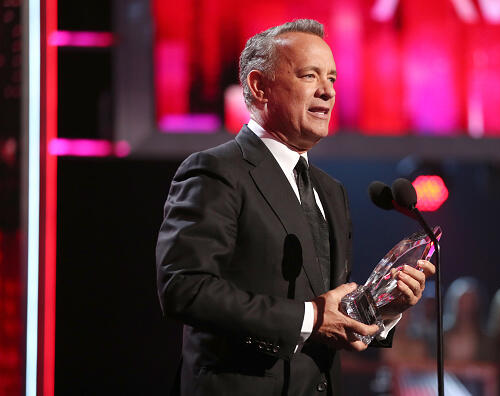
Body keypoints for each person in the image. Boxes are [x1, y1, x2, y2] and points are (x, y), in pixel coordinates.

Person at [156, 19, 435, 396]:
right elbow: (184, 288)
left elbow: (333, 314)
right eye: (309, 76)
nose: (327, 92)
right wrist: (313, 317)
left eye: (333, 79)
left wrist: (381, 310)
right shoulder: (216, 171)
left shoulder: (331, 192)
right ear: (259, 86)